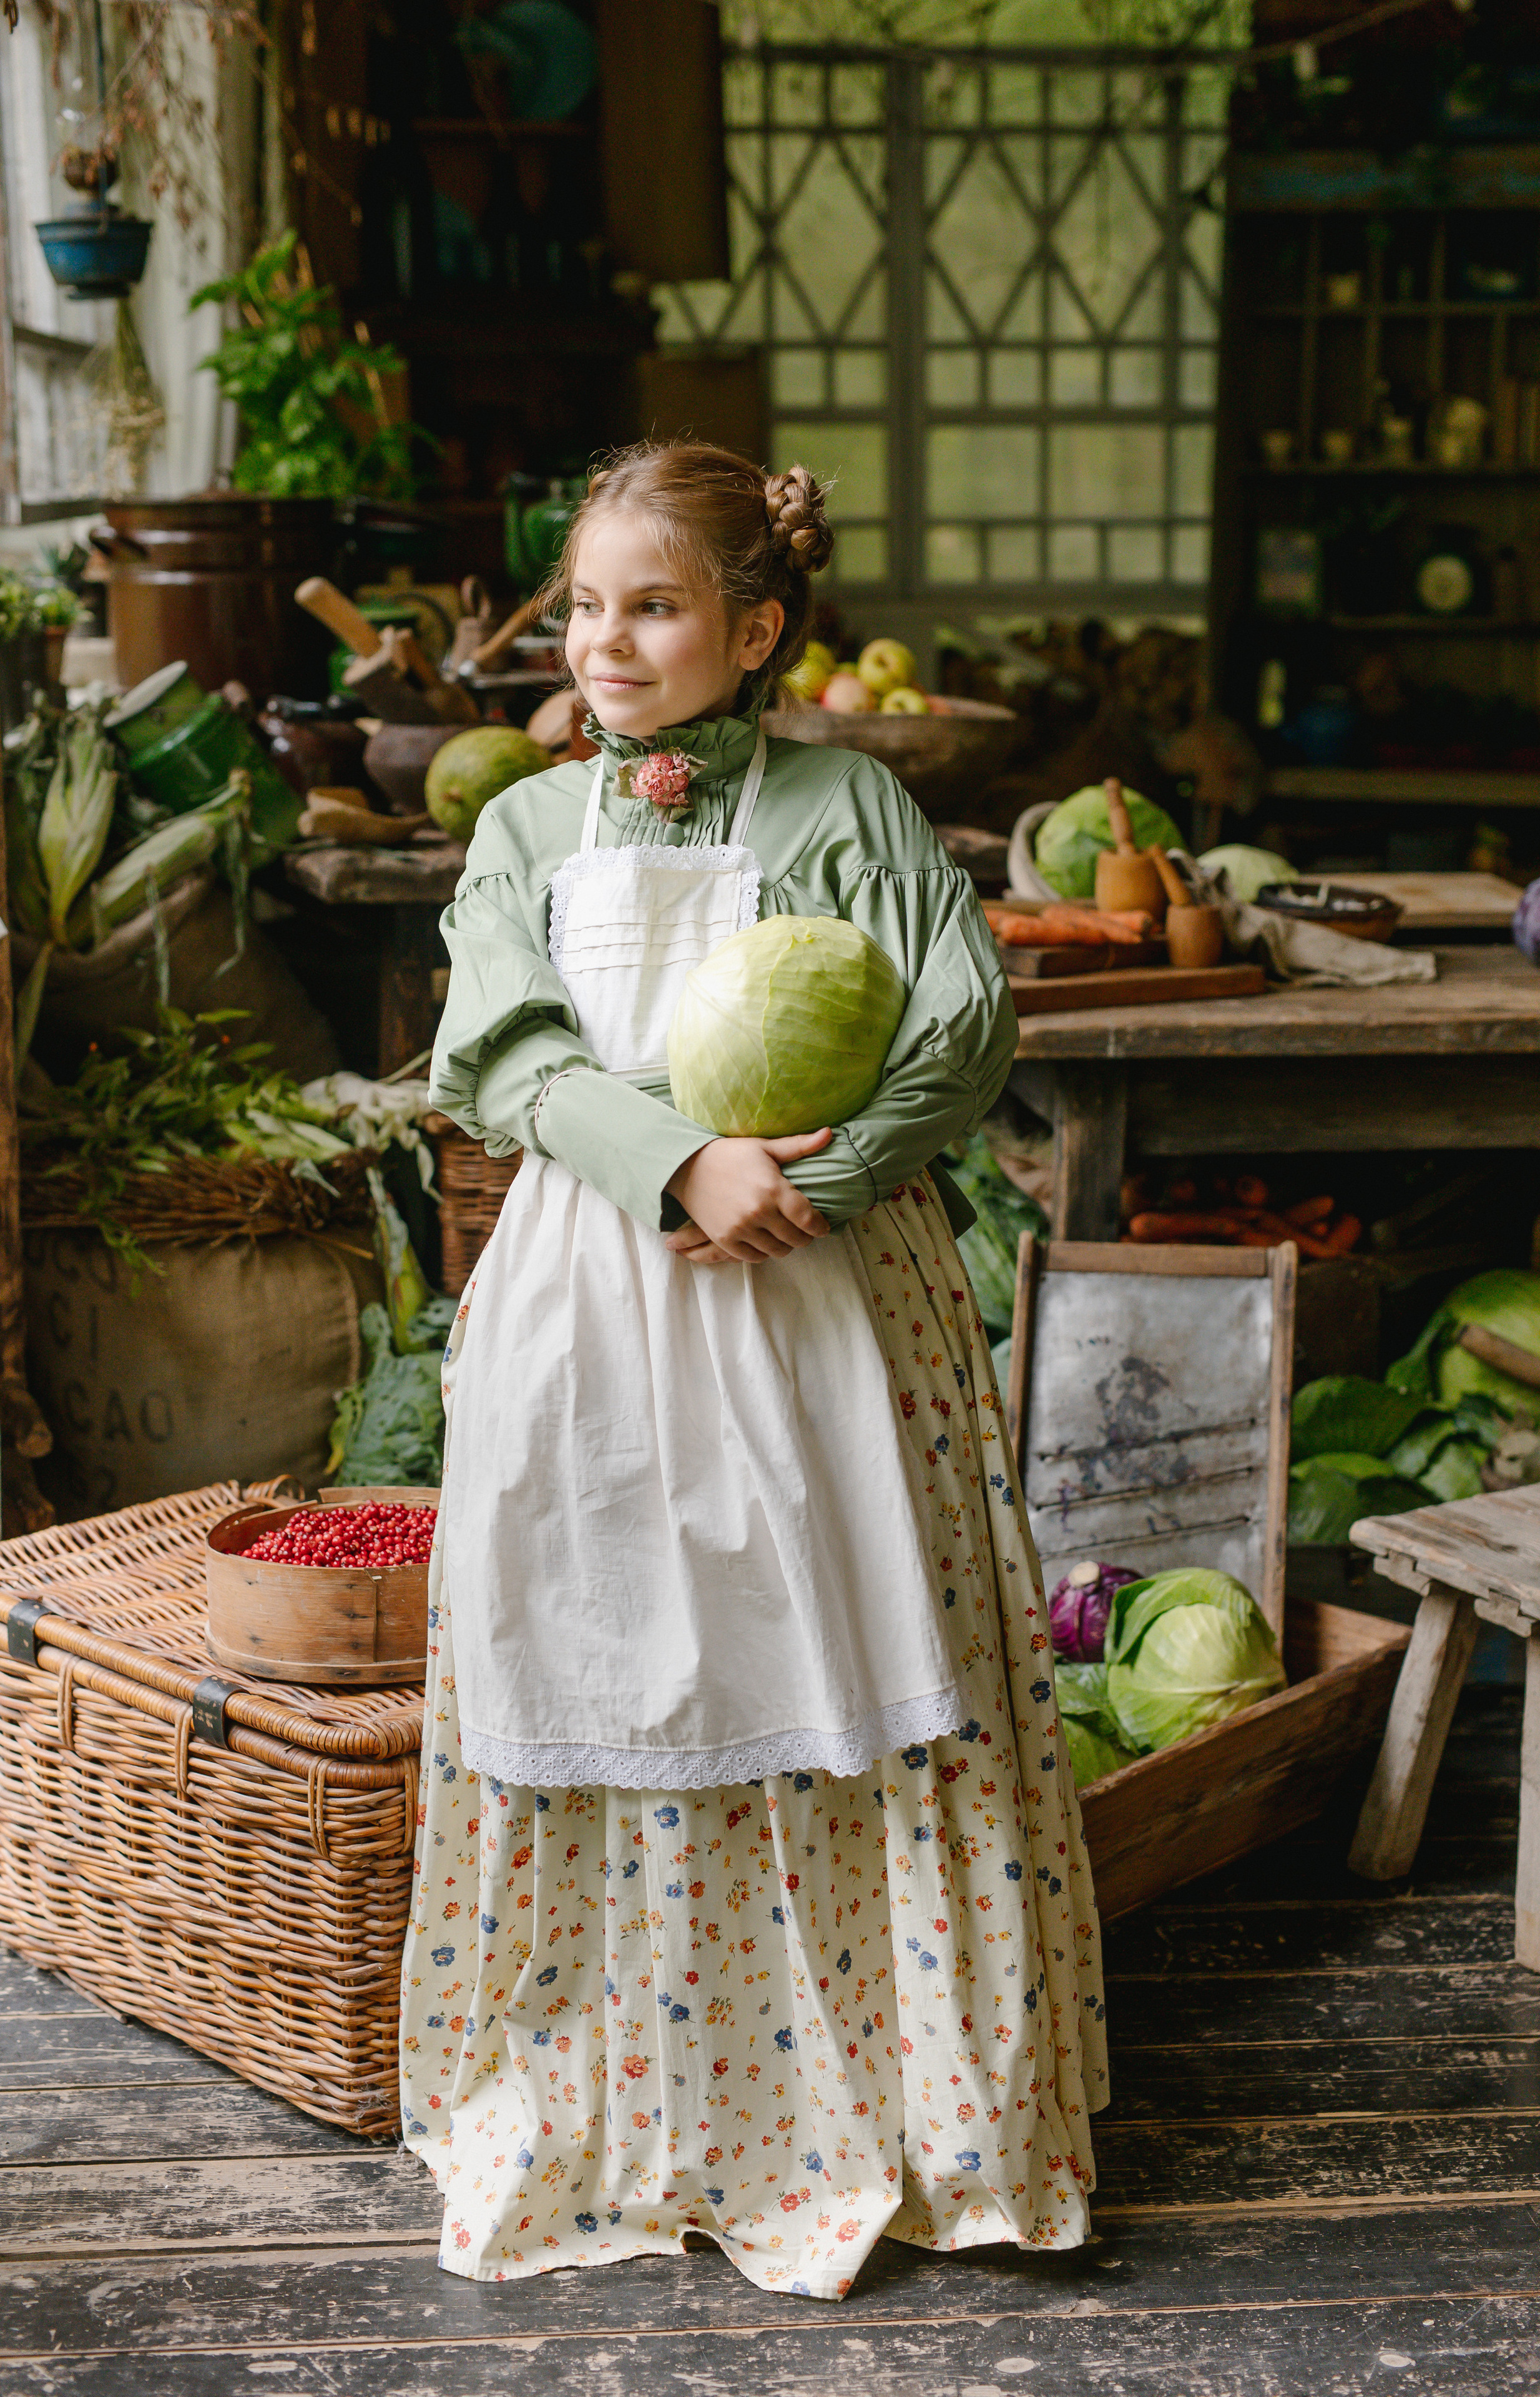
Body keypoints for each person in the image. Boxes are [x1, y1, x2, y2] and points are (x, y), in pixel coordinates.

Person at [401, 440, 1107, 2299]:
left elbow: (960, 1016)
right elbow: (502, 1051)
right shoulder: (526, 832)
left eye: (654, 604)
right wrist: (674, 1164)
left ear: (758, 625)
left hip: (821, 1297)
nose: (607, 638)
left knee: (859, 1655)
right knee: (609, 1654)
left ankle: (890, 2110)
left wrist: (825, 1174)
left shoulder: (846, 806)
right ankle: (614, 2110)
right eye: (585, 605)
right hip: (594, 1300)